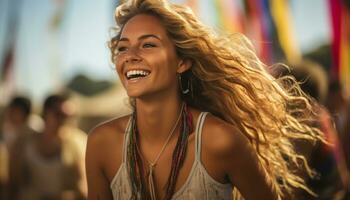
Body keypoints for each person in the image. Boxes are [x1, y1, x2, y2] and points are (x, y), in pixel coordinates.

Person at [86, 0, 325, 199]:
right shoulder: (101, 144)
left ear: (182, 61)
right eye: (123, 48)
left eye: (148, 44)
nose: (130, 57)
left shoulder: (220, 141)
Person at [16, 94, 87, 200]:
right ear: (45, 113)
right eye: (59, 114)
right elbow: (15, 183)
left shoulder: (79, 143)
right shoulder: (25, 142)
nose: (65, 120)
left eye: (70, 116)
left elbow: (84, 188)